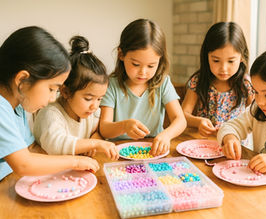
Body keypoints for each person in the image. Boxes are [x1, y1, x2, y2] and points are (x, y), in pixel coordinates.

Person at [0, 26, 99, 181]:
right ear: (22, 80)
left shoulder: (17, 107)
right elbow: (24, 164)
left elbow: (32, 149)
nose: (53, 98)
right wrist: (74, 162)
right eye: (52, 89)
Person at [99, 18, 186, 156]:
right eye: (136, 64)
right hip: (117, 153)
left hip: (153, 150)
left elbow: (180, 120)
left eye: (151, 66)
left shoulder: (162, 82)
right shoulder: (111, 85)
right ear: (121, 54)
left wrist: (166, 135)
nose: (143, 72)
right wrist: (124, 126)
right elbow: (104, 128)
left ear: (160, 60)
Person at [33, 36, 119, 160]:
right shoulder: (51, 114)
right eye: (88, 99)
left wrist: (92, 142)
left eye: (100, 99)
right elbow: (55, 145)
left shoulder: (89, 112)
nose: (95, 106)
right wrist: (93, 144)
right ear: (66, 92)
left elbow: (98, 131)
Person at [217, 47, 266, 173]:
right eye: (255, 92)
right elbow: (230, 126)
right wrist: (230, 138)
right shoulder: (257, 110)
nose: (260, 101)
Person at [182, 22, 254, 137]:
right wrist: (199, 122)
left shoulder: (246, 83)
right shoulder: (198, 81)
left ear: (242, 57)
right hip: (204, 145)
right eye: (216, 60)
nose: (223, 69)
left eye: (231, 61)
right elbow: (182, 115)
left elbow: (255, 116)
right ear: (207, 56)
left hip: (235, 146)